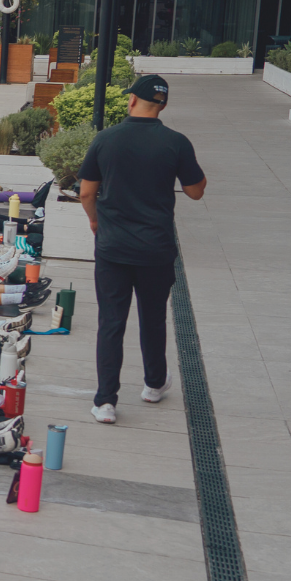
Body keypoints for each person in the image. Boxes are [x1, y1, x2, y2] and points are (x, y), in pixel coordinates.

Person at [79, 74, 205, 424]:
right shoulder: (176, 142)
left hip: (113, 247)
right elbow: (196, 191)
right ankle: (153, 384)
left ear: (132, 100)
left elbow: (87, 192)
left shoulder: (106, 139)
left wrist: (94, 221)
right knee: (153, 317)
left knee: (111, 322)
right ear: (163, 104)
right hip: (156, 249)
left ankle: (105, 402)